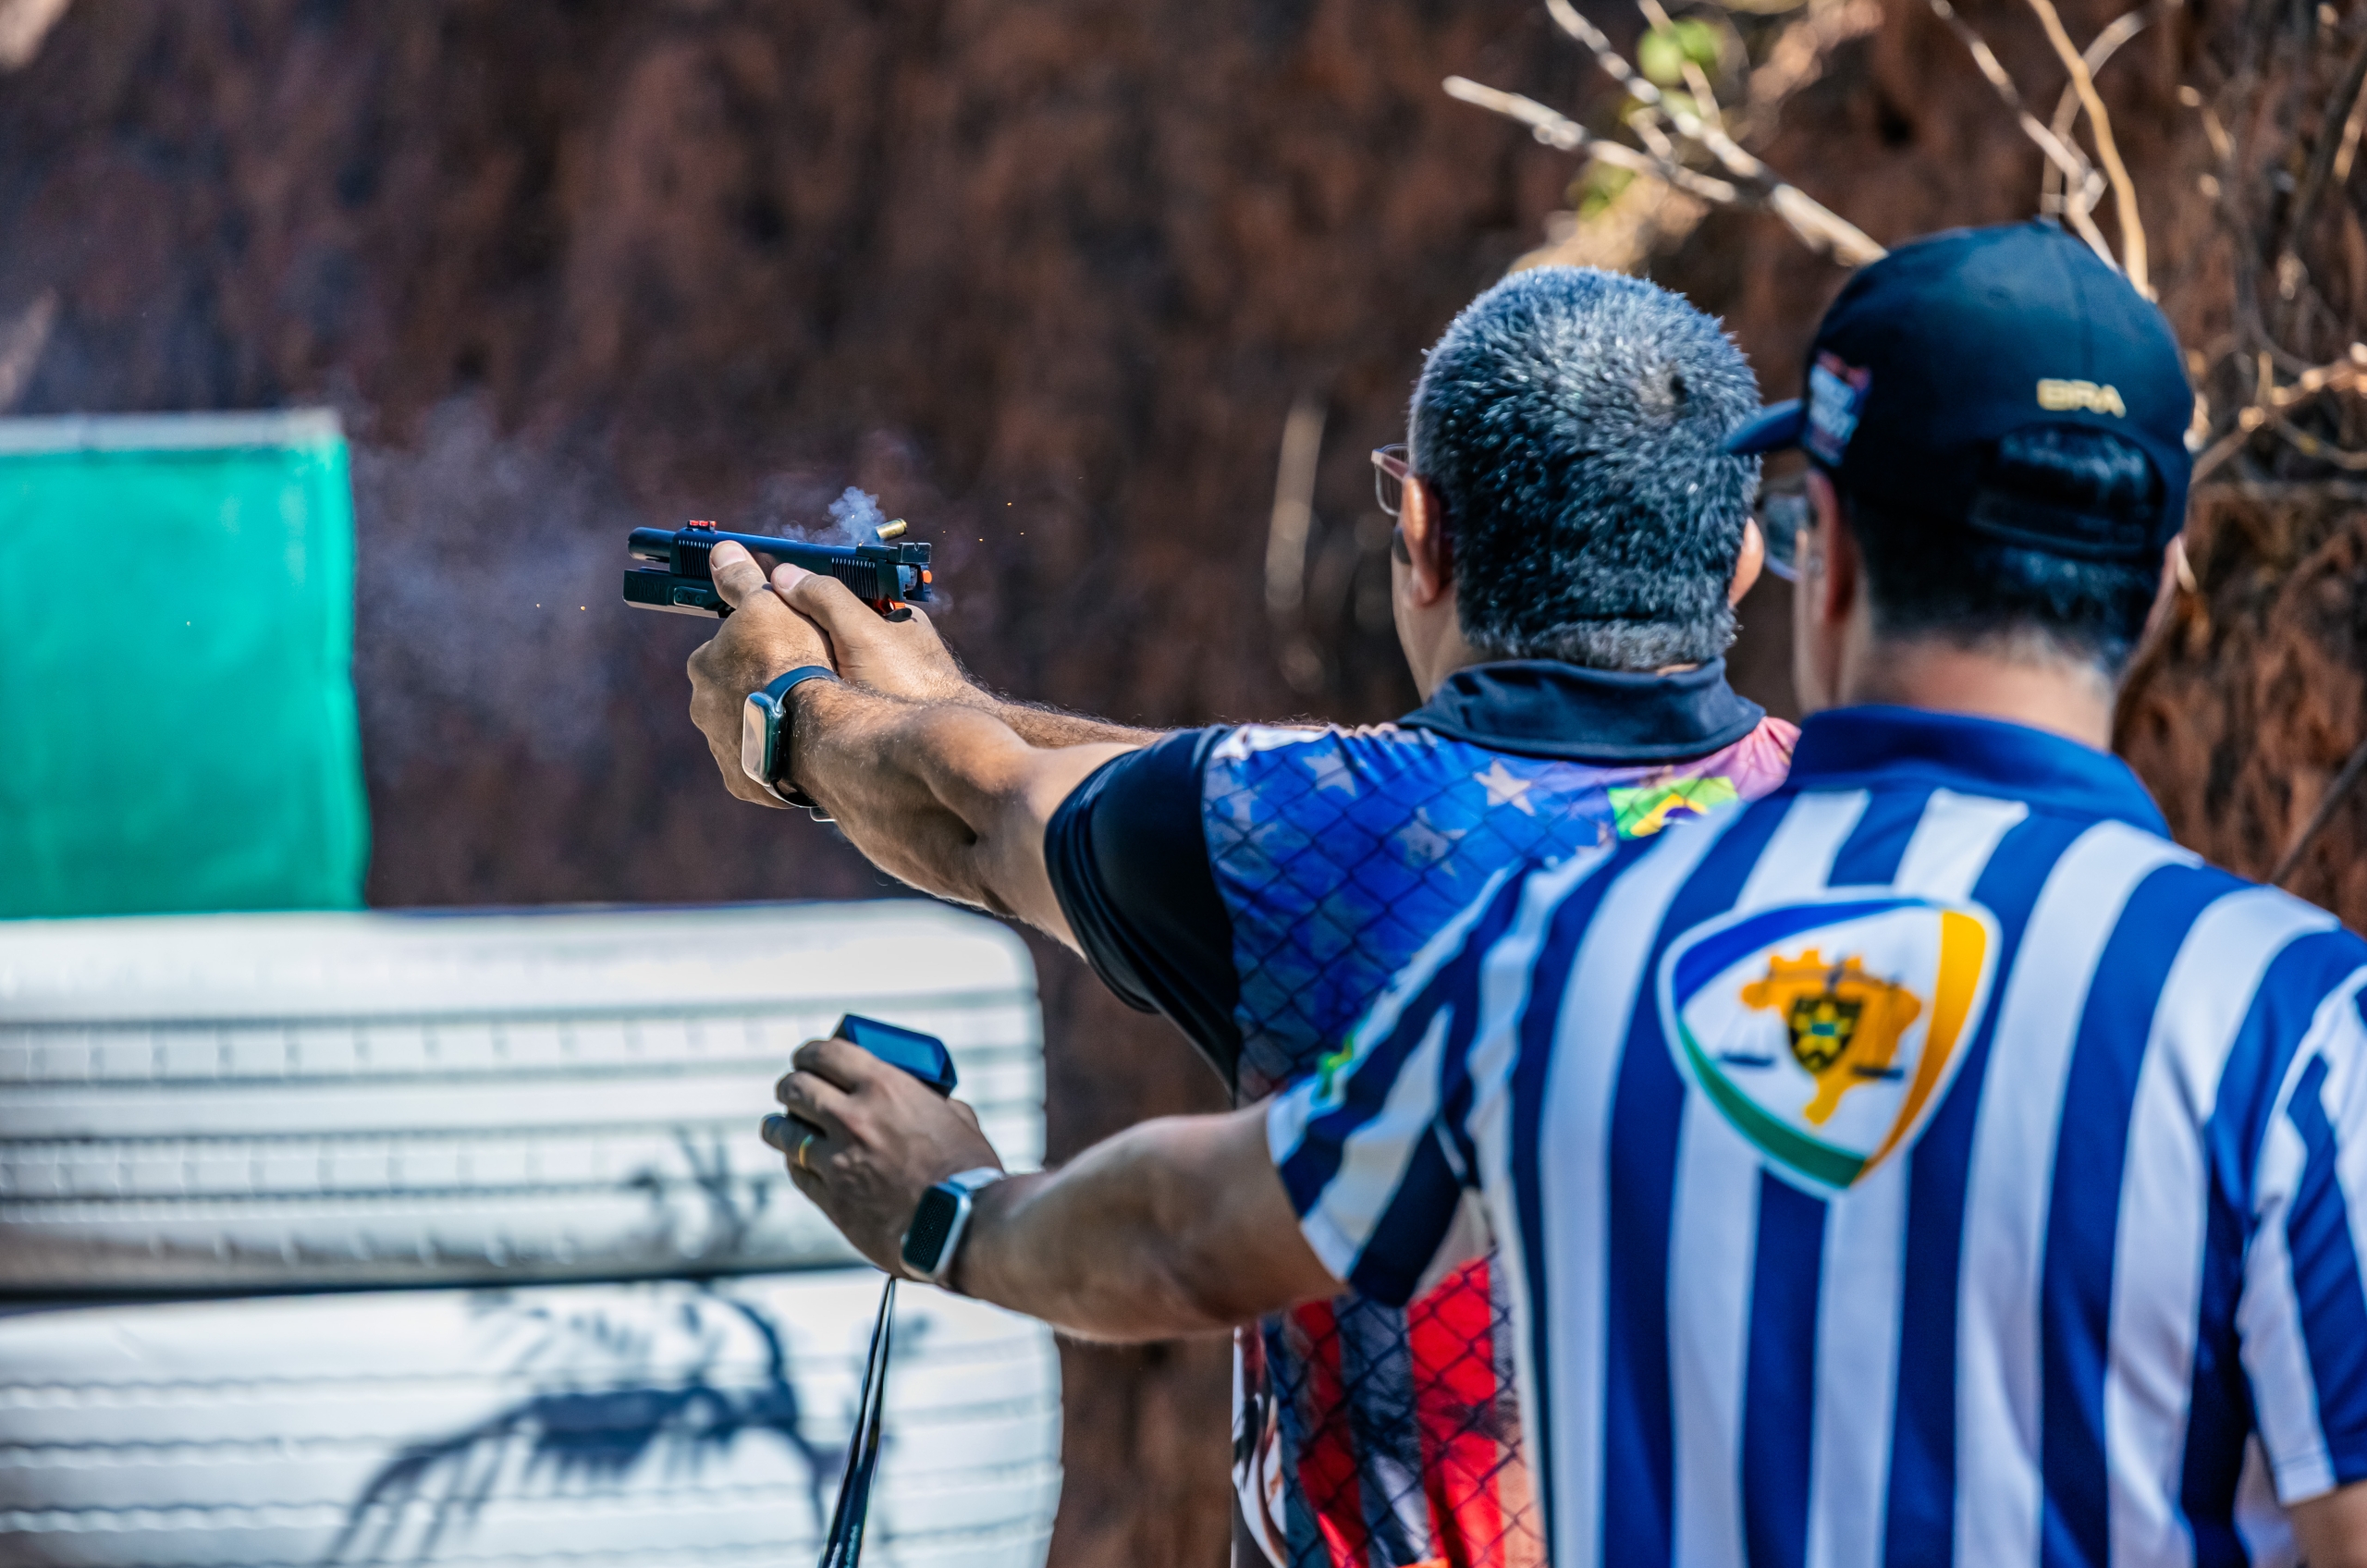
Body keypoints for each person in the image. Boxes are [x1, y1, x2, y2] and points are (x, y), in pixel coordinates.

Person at [758, 220, 2367, 1568]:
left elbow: (1193, 1233)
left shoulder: (1583, 954)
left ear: (1822, 552)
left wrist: (952, 1213)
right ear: (2168, 576)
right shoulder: (2294, 1022)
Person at [685, 267, 1796, 1565]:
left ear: (1422, 529)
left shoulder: (1305, 835)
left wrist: (794, 719)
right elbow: (1200, 797)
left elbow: (985, 818)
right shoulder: (1861, 830)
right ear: (1742, 555)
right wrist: (944, 708)